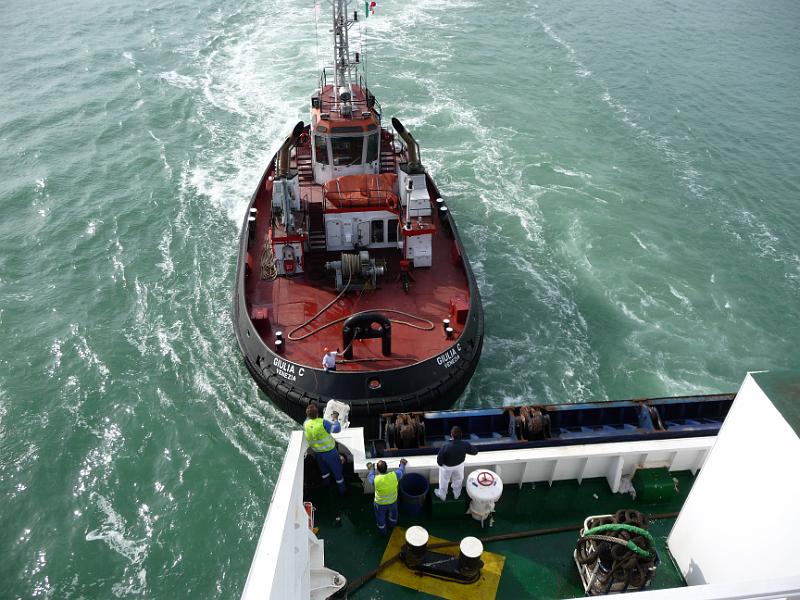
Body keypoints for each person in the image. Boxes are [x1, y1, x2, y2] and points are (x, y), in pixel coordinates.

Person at [304, 404, 345, 493]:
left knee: (324, 471)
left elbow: (310, 420)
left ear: (307, 415)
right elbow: (337, 429)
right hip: (330, 453)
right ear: (318, 414)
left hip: (318, 453)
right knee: (338, 473)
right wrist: (335, 418)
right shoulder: (323, 423)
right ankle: (343, 491)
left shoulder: (305, 423)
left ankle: (326, 486)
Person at [435, 426, 478, 501]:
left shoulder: (445, 446)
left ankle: (442, 495)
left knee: (444, 481)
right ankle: (456, 494)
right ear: (461, 434)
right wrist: (467, 447)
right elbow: (475, 452)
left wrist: (441, 465)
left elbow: (439, 461)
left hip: (446, 467)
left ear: (451, 435)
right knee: (458, 480)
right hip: (459, 465)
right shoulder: (465, 444)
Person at [366, 458, 407, 535]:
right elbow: (402, 471)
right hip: (392, 501)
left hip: (380, 504)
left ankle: (383, 531)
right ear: (387, 467)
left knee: (380, 517)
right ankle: (393, 525)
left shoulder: (375, 479)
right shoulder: (394, 475)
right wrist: (402, 463)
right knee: (394, 514)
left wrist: (371, 468)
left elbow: (371, 475)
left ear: (377, 470)